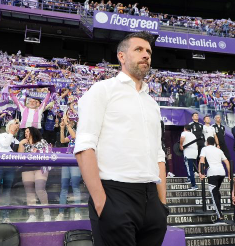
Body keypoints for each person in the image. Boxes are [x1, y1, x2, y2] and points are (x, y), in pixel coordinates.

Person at [74, 32, 168, 246]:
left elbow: (158, 155)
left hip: (152, 199)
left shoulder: (152, 103)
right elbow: (84, 147)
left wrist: (162, 204)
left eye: (149, 52)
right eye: (139, 50)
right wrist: (101, 204)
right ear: (121, 56)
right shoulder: (102, 90)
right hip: (114, 194)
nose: (146, 55)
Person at [18, 127, 51, 222]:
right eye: (25, 132)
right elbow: (19, 157)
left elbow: (47, 153)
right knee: (29, 192)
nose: (26, 133)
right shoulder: (24, 144)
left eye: (28, 131)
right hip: (27, 168)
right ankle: (32, 215)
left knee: (40, 189)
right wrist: (21, 144)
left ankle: (46, 213)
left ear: (33, 132)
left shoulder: (42, 141)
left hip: (40, 167)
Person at [56, 116, 82, 221]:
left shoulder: (83, 134)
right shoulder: (73, 133)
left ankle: (78, 212)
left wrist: (67, 124)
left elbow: (75, 136)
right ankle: (61, 213)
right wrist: (62, 128)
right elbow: (62, 140)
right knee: (64, 187)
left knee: (75, 186)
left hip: (75, 161)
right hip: (67, 160)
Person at [199, 136, 230, 221]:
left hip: (212, 173)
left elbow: (202, 160)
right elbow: (227, 162)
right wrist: (229, 174)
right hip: (221, 173)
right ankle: (219, 209)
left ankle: (220, 216)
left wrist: (201, 173)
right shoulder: (219, 150)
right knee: (216, 192)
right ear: (214, 143)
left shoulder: (204, 149)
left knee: (214, 194)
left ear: (207, 142)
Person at [0, 119, 20, 223]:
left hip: (10, 167)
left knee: (7, 190)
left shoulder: (17, 141)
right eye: (14, 125)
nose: (16, 128)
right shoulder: (2, 135)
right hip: (0, 165)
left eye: (17, 127)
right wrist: (11, 132)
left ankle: (5, 215)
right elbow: (5, 145)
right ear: (9, 126)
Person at [180, 125, 199, 190]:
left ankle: (194, 185)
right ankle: (189, 178)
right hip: (195, 152)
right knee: (191, 168)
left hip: (188, 153)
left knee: (190, 169)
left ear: (184, 128)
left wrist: (181, 145)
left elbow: (182, 138)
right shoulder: (193, 135)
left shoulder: (184, 133)